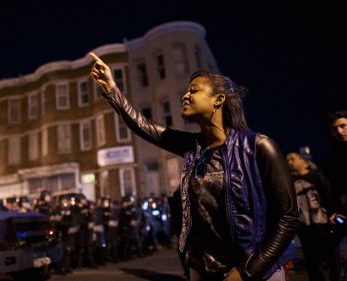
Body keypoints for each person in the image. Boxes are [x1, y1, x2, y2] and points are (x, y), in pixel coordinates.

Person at [89, 52, 299, 281]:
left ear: (218, 100)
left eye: (194, 90)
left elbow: (287, 217)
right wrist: (111, 89)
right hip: (202, 268)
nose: (185, 96)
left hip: (254, 271)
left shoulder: (258, 147)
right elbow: (144, 127)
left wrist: (247, 271)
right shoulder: (193, 147)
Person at [286, 152, 332, 281]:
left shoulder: (317, 176)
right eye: (287, 160)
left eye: (292, 159)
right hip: (304, 226)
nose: (289, 162)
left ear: (302, 160)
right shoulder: (290, 181)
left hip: (322, 223)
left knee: (327, 259)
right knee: (311, 260)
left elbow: (328, 196)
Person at [323, 110, 347, 281]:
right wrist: (332, 210)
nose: (339, 131)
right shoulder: (333, 156)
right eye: (335, 128)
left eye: (343, 126)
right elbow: (331, 188)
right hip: (343, 214)